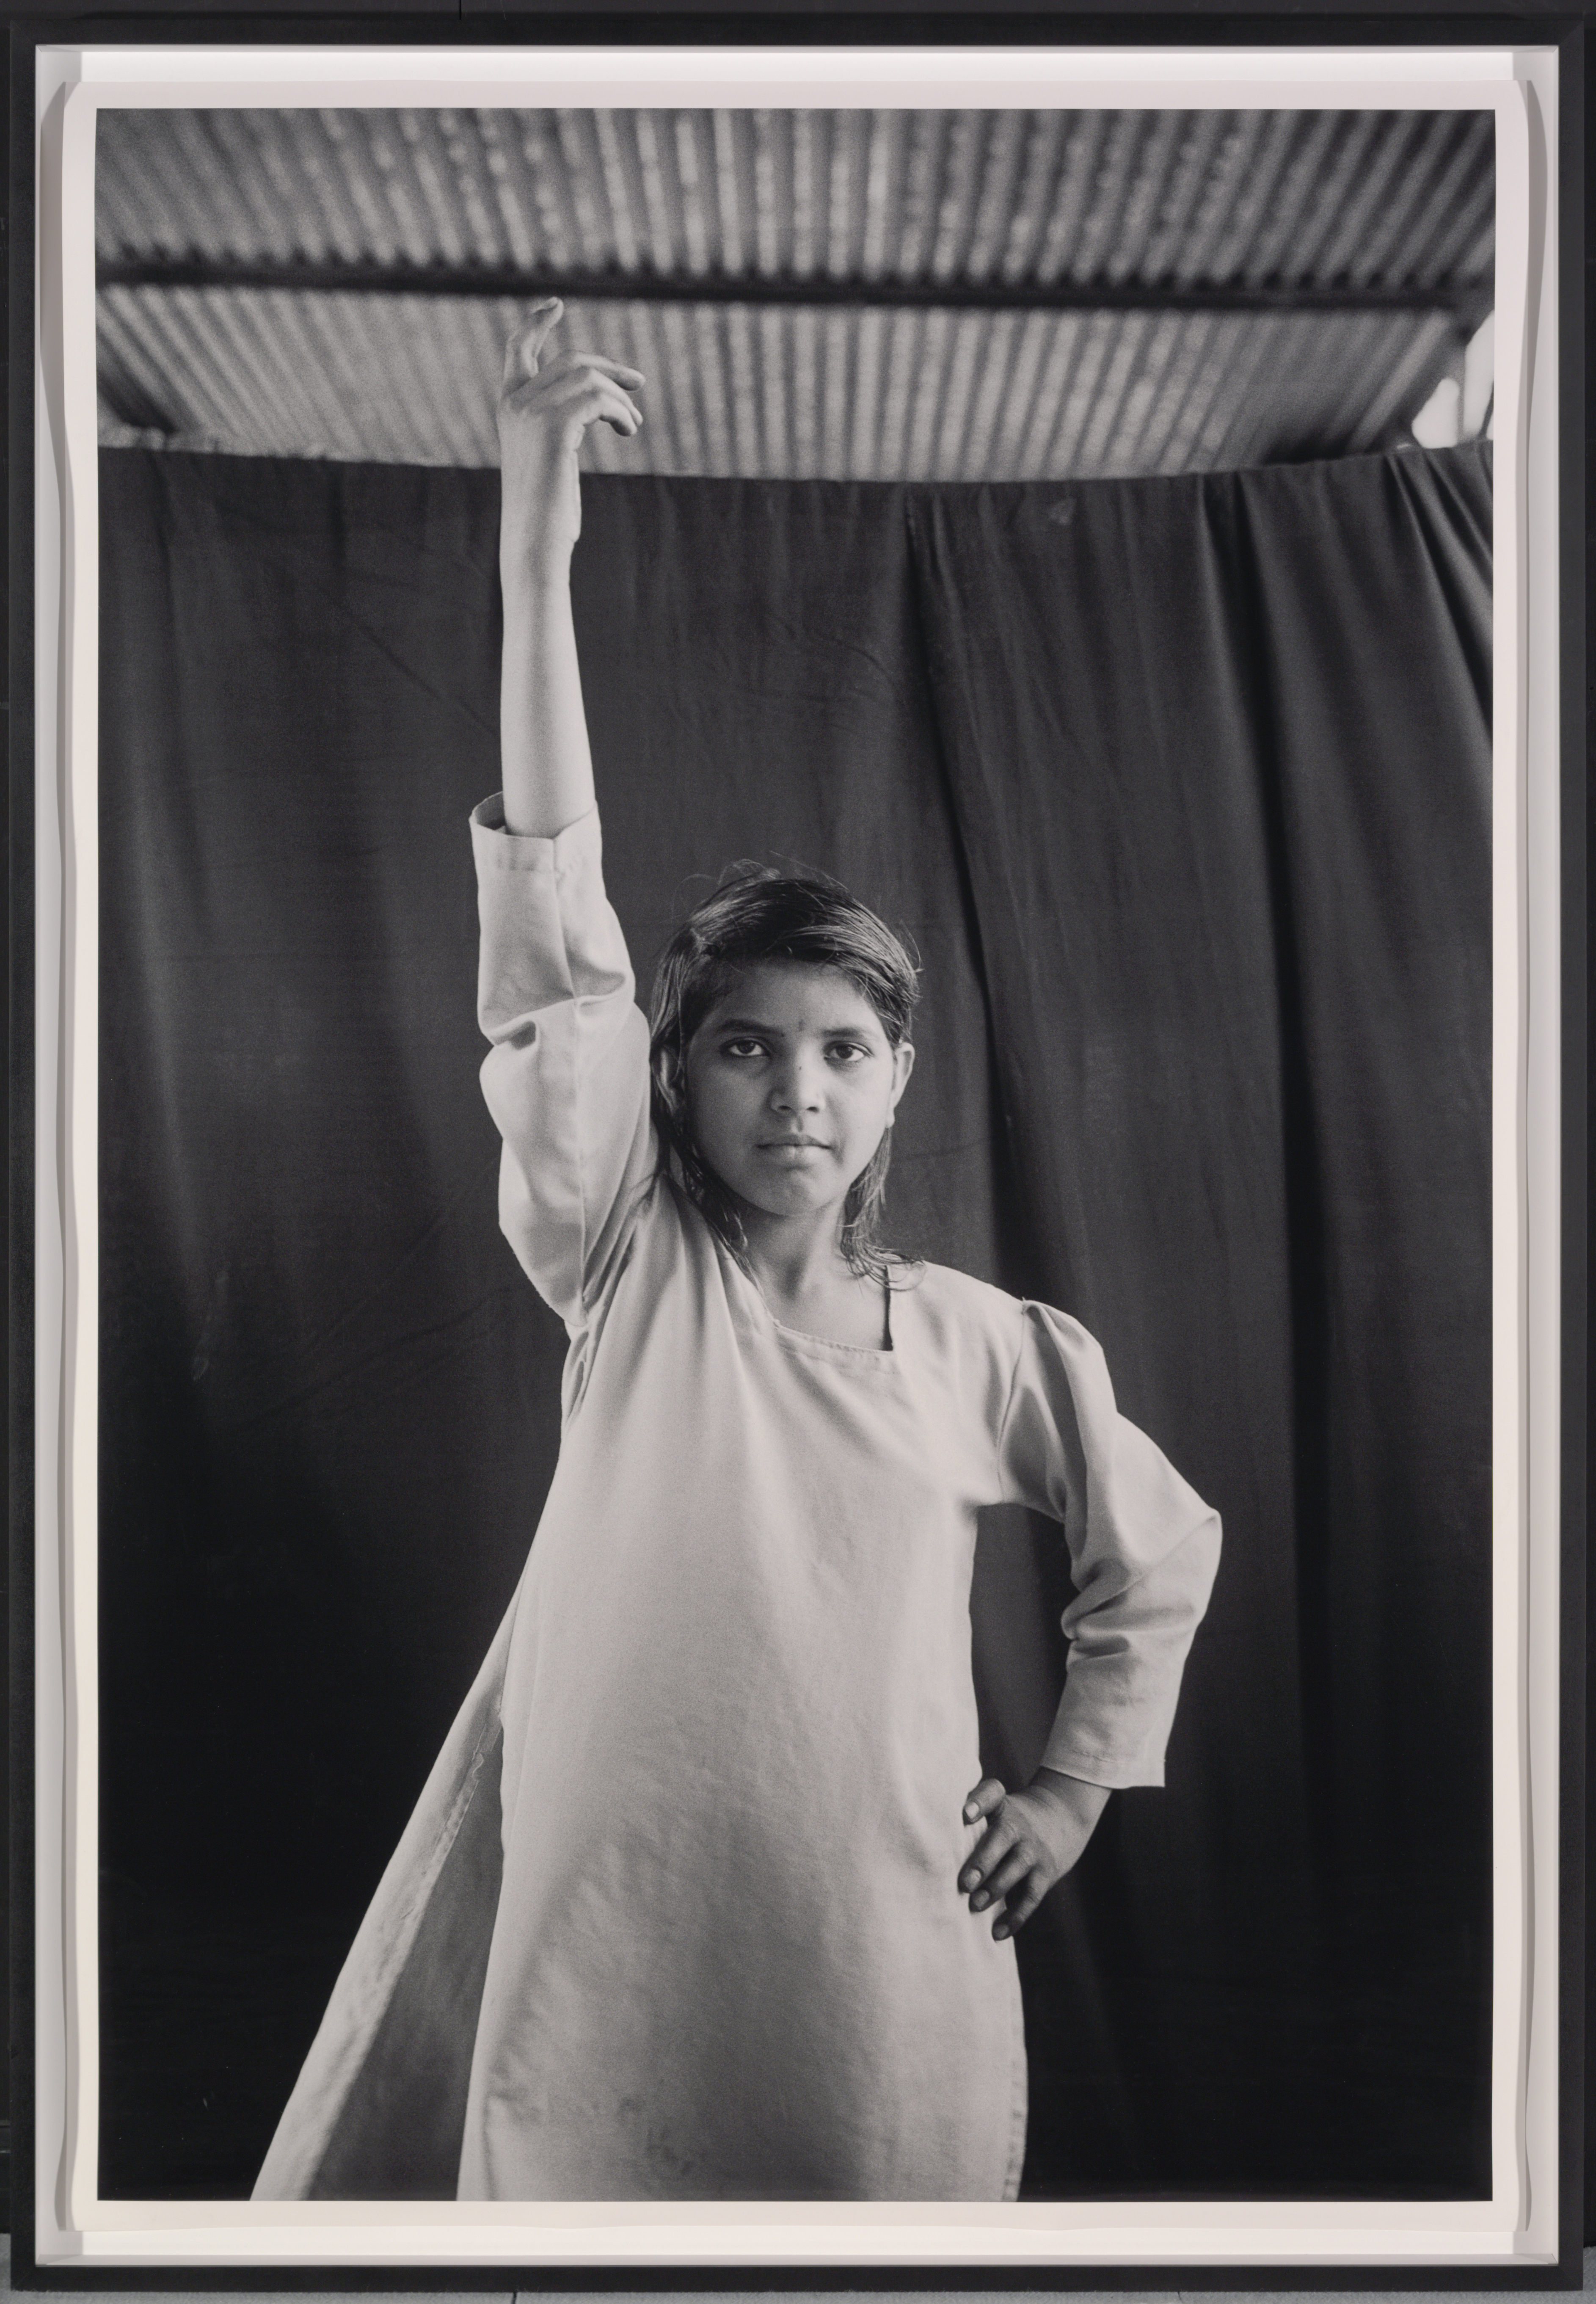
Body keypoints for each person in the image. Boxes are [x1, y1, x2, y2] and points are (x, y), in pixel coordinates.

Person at [253, 303, 1221, 2206]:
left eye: (842, 1051)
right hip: (608, 1941)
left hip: (878, 1964)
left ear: (895, 1084)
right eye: (746, 1046)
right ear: (675, 1084)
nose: (797, 1088)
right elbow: (551, 923)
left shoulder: (975, 1346)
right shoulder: (633, 1267)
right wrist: (537, 538)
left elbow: (1154, 1550)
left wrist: (1071, 1788)